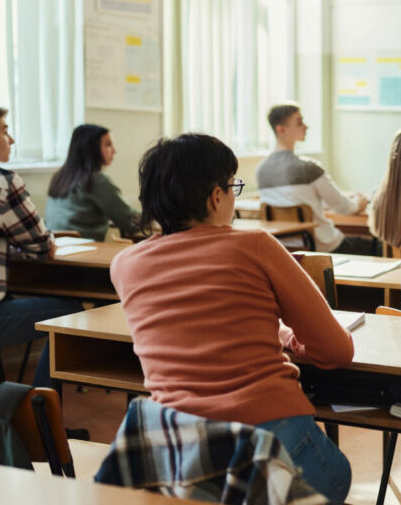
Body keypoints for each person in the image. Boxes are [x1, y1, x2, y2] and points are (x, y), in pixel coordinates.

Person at [110, 133, 354, 503]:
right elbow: (337, 351)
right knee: (339, 473)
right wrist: (287, 337)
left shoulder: (124, 265)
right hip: (270, 441)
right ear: (216, 196)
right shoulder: (255, 245)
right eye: (233, 186)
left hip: (180, 458)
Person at [0, 106, 81, 387]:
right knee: (73, 312)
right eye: (5, 130)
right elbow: (41, 246)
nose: (12, 140)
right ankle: (41, 419)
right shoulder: (1, 181)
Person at [257, 103, 373, 255]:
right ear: (281, 129)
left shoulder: (261, 171)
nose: (306, 126)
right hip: (323, 247)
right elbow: (344, 207)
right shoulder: (307, 168)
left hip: (285, 250)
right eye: (299, 122)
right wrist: (359, 203)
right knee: (376, 245)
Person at [45, 124, 139, 241]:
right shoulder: (96, 181)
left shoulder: (60, 176)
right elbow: (129, 221)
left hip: (56, 248)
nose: (114, 151)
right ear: (91, 148)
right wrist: (152, 213)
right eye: (108, 145)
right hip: (83, 250)